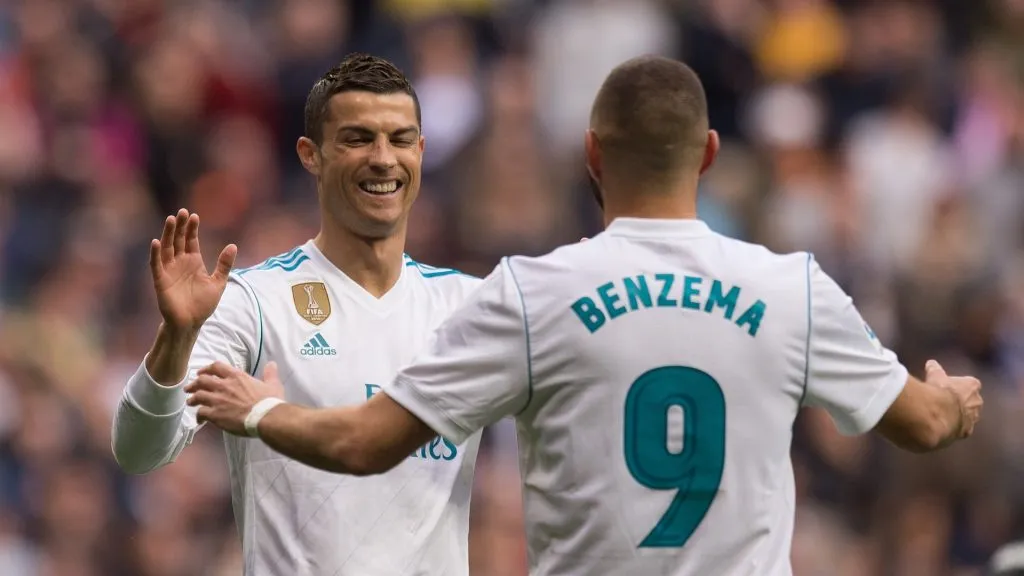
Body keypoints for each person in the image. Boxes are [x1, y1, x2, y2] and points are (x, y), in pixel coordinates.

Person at [185, 55, 984, 575]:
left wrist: (263, 411)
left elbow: (365, 445)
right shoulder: (793, 289)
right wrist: (955, 401)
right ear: (707, 153)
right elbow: (922, 424)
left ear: (593, 155)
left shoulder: (533, 295)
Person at [110, 53, 483, 576]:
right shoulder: (254, 301)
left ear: (421, 151)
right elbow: (139, 452)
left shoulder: (470, 308)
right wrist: (176, 337)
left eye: (400, 139)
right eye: (357, 138)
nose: (383, 159)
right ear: (311, 154)